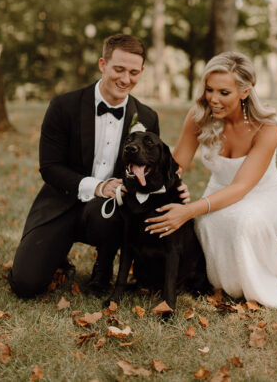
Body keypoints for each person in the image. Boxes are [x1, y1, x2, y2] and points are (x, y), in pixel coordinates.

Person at [9, 34, 165, 298]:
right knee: (26, 284)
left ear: (142, 72)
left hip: (109, 213)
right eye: (118, 69)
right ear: (102, 64)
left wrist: (172, 186)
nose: (125, 79)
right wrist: (99, 186)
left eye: (133, 72)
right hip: (61, 202)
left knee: (117, 212)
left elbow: (149, 170)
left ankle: (102, 271)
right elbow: (50, 167)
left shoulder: (147, 117)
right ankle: (56, 255)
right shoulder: (64, 106)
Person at [144, 51, 277, 309]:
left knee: (243, 221)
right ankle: (223, 283)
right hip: (219, 191)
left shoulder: (267, 127)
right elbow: (178, 163)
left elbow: (240, 187)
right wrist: (164, 183)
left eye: (223, 93)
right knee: (205, 225)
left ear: (245, 91)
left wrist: (188, 210)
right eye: (209, 89)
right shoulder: (200, 114)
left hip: (265, 196)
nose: (213, 99)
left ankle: (253, 286)